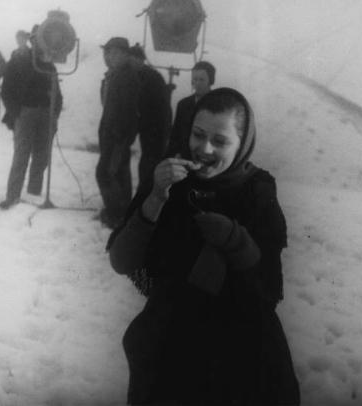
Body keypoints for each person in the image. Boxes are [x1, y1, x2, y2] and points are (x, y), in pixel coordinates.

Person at [108, 88, 301, 405]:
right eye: (198, 135)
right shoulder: (170, 176)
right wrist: (156, 197)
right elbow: (121, 261)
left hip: (241, 346)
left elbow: (267, 289)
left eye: (220, 141)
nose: (204, 149)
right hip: (169, 339)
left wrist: (235, 240)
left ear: (243, 144)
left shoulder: (257, 191)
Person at [0, 25, 63, 210]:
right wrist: (17, 113)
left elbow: (58, 95)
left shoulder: (49, 65)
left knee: (42, 156)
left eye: (41, 39)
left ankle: (34, 194)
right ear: (31, 40)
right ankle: (12, 197)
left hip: (45, 115)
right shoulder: (18, 61)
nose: (38, 42)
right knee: (21, 155)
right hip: (25, 114)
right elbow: (6, 91)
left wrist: (54, 114)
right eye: (35, 39)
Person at [96, 37, 141, 228]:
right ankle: (120, 212)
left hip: (117, 136)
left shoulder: (127, 76)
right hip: (112, 135)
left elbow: (129, 109)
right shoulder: (116, 74)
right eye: (108, 52)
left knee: (106, 173)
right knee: (118, 172)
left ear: (124, 54)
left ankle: (115, 215)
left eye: (114, 53)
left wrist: (119, 135)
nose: (109, 56)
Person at [129, 43, 173, 196]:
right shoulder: (142, 75)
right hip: (149, 128)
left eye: (135, 59)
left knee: (151, 163)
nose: (132, 63)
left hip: (157, 128)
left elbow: (162, 107)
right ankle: (146, 193)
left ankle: (147, 195)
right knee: (148, 162)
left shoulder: (150, 77)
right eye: (130, 60)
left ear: (141, 60)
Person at [167, 60, 215, 156]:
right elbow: (175, 136)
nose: (197, 83)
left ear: (211, 81)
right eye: (194, 79)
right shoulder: (183, 104)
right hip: (185, 159)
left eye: (201, 80)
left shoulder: (218, 104)